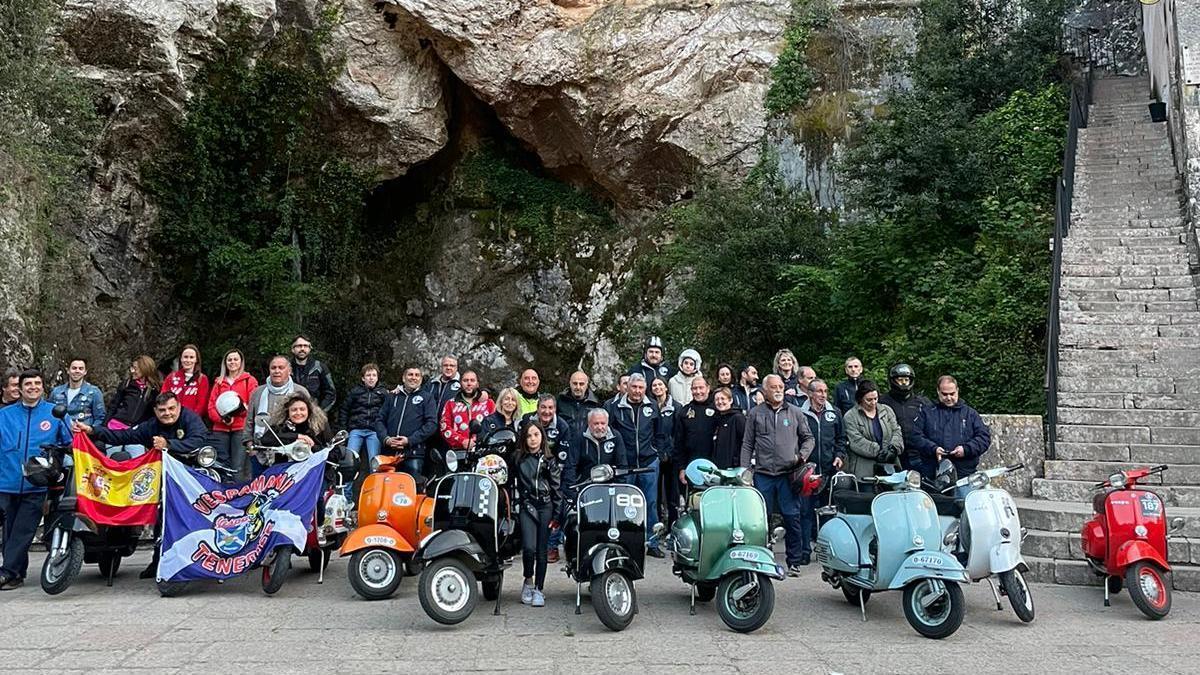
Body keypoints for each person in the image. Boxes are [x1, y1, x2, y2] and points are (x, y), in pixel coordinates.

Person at [0, 369, 71, 590]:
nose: (33, 387)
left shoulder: (55, 413)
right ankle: (16, 574)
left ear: (43, 387)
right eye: (28, 384)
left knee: (23, 530)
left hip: (37, 484)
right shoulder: (5, 415)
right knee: (10, 530)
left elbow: (71, 442)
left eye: (37, 383)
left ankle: (7, 572)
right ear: (19, 389)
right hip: (7, 481)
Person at [740, 374, 814, 573]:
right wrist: (745, 471)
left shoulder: (796, 413)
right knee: (759, 520)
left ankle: (794, 561)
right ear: (765, 391)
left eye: (781, 386)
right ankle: (759, 558)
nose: (778, 390)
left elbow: (808, 438)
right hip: (762, 474)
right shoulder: (755, 413)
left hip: (788, 475)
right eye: (774, 387)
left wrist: (802, 456)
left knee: (792, 517)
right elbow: (747, 444)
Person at [605, 373, 668, 557]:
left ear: (645, 388)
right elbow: (610, 434)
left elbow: (660, 433)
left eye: (641, 388)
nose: (637, 391)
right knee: (625, 505)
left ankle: (653, 543)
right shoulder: (615, 407)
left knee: (650, 503)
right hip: (626, 465)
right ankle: (626, 543)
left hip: (649, 463)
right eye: (634, 387)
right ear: (627, 387)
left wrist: (658, 452)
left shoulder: (653, 406)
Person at [910, 376, 992, 487]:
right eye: (944, 394)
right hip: (932, 473)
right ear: (938, 392)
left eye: (952, 394)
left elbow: (984, 438)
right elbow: (915, 436)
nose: (949, 398)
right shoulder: (926, 413)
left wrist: (965, 449)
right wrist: (933, 449)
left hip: (964, 474)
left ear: (957, 391)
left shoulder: (970, 414)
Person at [514, 421, 561, 608]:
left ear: (542, 437)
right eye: (529, 436)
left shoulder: (549, 460)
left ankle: (539, 589)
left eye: (536, 435)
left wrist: (557, 515)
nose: (533, 439)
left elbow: (556, 488)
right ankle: (528, 580)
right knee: (529, 548)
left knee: (542, 551)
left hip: (545, 506)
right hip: (527, 505)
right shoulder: (518, 458)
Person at [800, 379, 846, 537]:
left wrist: (839, 455)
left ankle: (826, 545)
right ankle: (805, 551)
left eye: (825, 391)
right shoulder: (799, 413)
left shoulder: (835, 412)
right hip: (806, 471)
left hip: (828, 469)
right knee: (805, 512)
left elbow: (841, 438)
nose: (823, 395)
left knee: (828, 511)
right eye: (819, 391)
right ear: (810, 393)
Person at [376, 366, 437, 480]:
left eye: (417, 375)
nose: (413, 378)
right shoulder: (392, 396)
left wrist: (410, 440)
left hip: (413, 454)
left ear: (421, 379)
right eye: (410, 374)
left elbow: (431, 424)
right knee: (385, 490)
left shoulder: (427, 398)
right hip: (388, 453)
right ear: (403, 378)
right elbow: (379, 420)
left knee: (410, 490)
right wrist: (386, 439)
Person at [206, 349, 258, 479]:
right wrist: (222, 419)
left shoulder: (249, 381)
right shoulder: (219, 382)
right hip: (220, 429)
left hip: (240, 429)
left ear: (241, 362)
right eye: (229, 360)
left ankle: (238, 495)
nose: (232, 362)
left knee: (237, 466)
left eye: (235, 359)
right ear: (225, 363)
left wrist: (239, 411)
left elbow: (253, 405)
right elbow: (211, 406)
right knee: (220, 464)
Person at [561, 408, 627, 507]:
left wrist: (619, 490)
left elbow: (622, 466)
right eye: (596, 423)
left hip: (610, 488)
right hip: (586, 489)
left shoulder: (616, 437)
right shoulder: (579, 437)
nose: (600, 427)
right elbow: (570, 466)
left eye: (603, 423)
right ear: (589, 423)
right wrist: (573, 494)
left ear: (607, 423)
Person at [843, 380, 903, 480]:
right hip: (863, 468)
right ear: (861, 398)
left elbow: (897, 431)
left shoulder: (887, 410)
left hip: (891, 464)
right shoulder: (850, 416)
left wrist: (893, 449)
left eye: (876, 398)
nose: (873, 402)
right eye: (869, 400)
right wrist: (878, 451)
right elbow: (856, 441)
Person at [879, 363, 933, 471]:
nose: (903, 383)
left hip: (918, 454)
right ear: (893, 381)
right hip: (893, 455)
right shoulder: (882, 402)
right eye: (900, 380)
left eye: (906, 380)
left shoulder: (922, 402)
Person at [247, 356, 310, 442]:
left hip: (293, 447)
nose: (277, 371)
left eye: (281, 368)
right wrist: (248, 442)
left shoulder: (300, 391)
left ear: (289, 371)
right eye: (273, 368)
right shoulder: (258, 392)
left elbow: (311, 420)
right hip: (261, 446)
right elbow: (249, 420)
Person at [339, 363, 390, 462]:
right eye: (368, 375)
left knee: (374, 461)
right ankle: (349, 478)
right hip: (356, 429)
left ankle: (374, 478)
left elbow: (388, 412)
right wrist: (343, 429)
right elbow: (345, 409)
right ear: (363, 378)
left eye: (374, 375)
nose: (371, 378)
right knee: (350, 459)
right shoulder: (355, 392)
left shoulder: (383, 393)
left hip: (374, 431)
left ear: (377, 378)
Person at [650, 377, 681, 532]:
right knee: (654, 494)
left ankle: (673, 528)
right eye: (654, 385)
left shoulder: (676, 406)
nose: (657, 387)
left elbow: (677, 433)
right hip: (655, 455)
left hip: (671, 457)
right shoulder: (649, 406)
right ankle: (657, 527)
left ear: (666, 387)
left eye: (660, 384)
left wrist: (669, 452)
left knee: (672, 494)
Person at [438, 369, 494, 452]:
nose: (469, 383)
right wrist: (462, 441)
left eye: (472, 380)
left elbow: (495, 425)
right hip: (458, 451)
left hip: (484, 450)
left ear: (477, 384)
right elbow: (444, 428)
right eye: (465, 380)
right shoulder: (451, 403)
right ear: (460, 384)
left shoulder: (488, 403)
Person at [673, 377, 716, 478]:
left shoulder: (718, 409)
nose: (698, 391)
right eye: (694, 388)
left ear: (708, 388)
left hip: (714, 465)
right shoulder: (684, 411)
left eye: (701, 388)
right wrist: (682, 467)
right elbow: (679, 442)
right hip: (690, 465)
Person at [106, 355, 161, 431]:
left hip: (136, 430)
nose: (132, 371)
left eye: (135, 369)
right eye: (132, 368)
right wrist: (104, 425)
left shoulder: (154, 390)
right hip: (115, 425)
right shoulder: (126, 384)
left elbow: (153, 414)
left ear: (145, 369)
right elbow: (113, 405)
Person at [48, 357, 105, 426]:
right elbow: (48, 414)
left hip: (83, 434)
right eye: (74, 368)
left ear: (85, 372)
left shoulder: (94, 392)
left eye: (80, 369)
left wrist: (89, 430)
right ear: (68, 370)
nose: (77, 371)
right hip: (60, 433)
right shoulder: (56, 392)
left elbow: (100, 418)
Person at [162, 345, 209, 423]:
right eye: (185, 357)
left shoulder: (202, 379)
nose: (188, 360)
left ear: (196, 360)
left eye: (191, 357)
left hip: (192, 421)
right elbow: (163, 398)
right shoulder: (171, 377)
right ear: (181, 359)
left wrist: (192, 418)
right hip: (172, 421)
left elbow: (202, 404)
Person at [289, 334, 336, 413]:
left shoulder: (320, 367)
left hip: (313, 413)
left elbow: (331, 393)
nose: (302, 349)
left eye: (306, 346)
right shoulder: (285, 367)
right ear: (293, 349)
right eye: (299, 346)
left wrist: (320, 411)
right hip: (291, 413)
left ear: (310, 349)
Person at [556, 370, 600, 445]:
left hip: (587, 446)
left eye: (581, 384)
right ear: (570, 383)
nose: (578, 387)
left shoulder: (595, 404)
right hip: (565, 445)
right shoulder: (560, 401)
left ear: (587, 385)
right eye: (575, 383)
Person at [709, 387, 745, 470]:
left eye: (723, 399)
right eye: (717, 399)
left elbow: (746, 442)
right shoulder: (716, 419)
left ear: (730, 400)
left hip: (734, 468)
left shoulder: (738, 418)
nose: (720, 402)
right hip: (718, 467)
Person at [425, 355, 462, 421]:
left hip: (450, 426)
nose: (448, 368)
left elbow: (474, 392)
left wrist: (485, 391)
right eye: (445, 365)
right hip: (430, 425)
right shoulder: (431, 383)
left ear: (456, 368)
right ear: (441, 367)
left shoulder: (462, 384)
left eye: (452, 366)